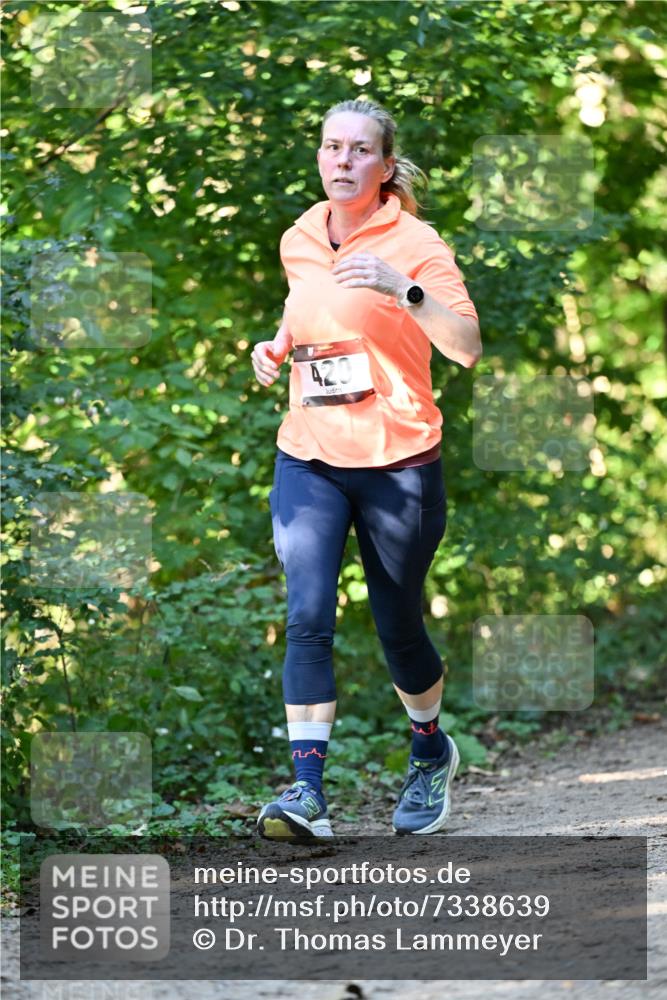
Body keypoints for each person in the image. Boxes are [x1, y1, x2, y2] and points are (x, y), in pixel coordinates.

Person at [251, 98, 481, 840]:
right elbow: (308, 309)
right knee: (307, 617)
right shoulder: (298, 236)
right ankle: (306, 794)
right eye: (330, 147)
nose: (342, 161)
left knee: (397, 627)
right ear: (318, 157)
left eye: (358, 151)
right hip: (309, 455)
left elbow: (467, 346)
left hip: (398, 463)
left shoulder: (415, 243)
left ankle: (427, 751)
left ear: (385, 167)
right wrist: (276, 347)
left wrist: (400, 286)